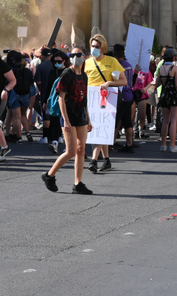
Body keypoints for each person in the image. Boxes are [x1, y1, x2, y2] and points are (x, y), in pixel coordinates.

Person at [42, 45, 94, 194]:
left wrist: (89, 119)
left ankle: (78, 183)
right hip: (69, 116)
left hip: (81, 116)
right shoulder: (67, 73)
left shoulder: (84, 75)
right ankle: (49, 175)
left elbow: (84, 99)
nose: (75, 57)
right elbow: (60, 98)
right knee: (71, 151)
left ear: (84, 56)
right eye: (72, 54)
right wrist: (65, 120)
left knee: (81, 150)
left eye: (79, 54)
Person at [84, 34, 127, 174]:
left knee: (100, 128)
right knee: (98, 128)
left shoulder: (112, 61)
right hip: (90, 100)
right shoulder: (87, 62)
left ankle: (94, 161)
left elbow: (124, 81)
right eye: (92, 46)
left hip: (107, 100)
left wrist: (109, 83)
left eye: (97, 46)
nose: (94, 49)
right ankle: (107, 160)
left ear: (103, 47)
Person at [35, 47, 64, 155]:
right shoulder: (54, 71)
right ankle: (57, 138)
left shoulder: (42, 67)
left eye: (59, 61)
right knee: (57, 118)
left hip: (57, 98)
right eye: (56, 61)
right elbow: (48, 86)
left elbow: (39, 82)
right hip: (57, 98)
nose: (57, 63)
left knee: (55, 118)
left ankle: (49, 136)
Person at [155, 47, 177, 153]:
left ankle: (163, 145)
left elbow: (158, 83)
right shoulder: (175, 68)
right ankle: (172, 145)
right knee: (174, 120)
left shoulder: (161, 67)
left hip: (164, 94)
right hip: (173, 95)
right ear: (173, 57)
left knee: (165, 121)